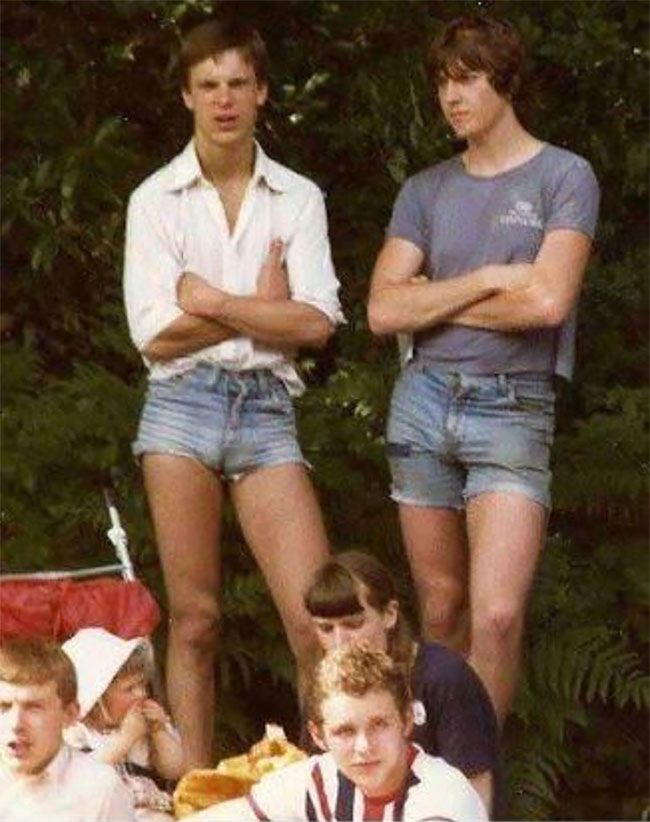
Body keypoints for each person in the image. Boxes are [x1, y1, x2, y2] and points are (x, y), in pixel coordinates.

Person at [367, 15, 600, 724]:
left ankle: (478, 774)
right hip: (424, 401)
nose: (451, 97)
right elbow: (381, 309)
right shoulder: (425, 189)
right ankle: (435, 768)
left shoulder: (564, 175)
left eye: (467, 79)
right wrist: (491, 278)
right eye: (442, 82)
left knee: (497, 615)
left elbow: (548, 302)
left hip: (513, 406)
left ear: (505, 80)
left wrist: (433, 302)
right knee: (440, 607)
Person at [123, 19, 342, 769]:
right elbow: (155, 336)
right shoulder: (155, 200)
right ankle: (193, 797)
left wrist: (214, 301)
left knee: (318, 620)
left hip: (266, 410)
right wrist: (261, 308)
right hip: (180, 407)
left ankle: (331, 787)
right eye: (208, 85)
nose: (224, 100)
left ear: (262, 93)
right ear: (187, 95)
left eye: (238, 83)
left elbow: (315, 323)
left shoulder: (297, 197)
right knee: (194, 621)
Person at [189, 645, 487, 821]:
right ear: (318, 736)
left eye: (379, 725)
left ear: (407, 721)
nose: (364, 746)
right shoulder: (319, 779)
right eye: (345, 731)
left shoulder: (440, 795)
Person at [304, 551, 499, 816]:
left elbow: (474, 789)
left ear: (390, 614)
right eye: (326, 628)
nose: (340, 642)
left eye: (354, 624)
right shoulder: (325, 687)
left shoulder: (443, 677)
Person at [0, 637, 135, 822]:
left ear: (70, 714)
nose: (15, 724)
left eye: (34, 708)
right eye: (3, 707)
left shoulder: (100, 790)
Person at [62, 627, 183, 820]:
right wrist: (125, 738)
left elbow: (175, 769)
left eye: (142, 684)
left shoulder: (144, 725)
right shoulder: (77, 734)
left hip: (151, 810)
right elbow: (82, 781)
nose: (141, 694)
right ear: (97, 698)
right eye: (130, 689)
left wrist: (159, 731)